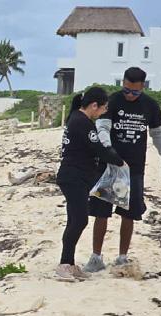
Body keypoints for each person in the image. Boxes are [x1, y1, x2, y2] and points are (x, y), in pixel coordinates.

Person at [85, 67, 161, 272]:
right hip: (109, 166)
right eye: (126, 90)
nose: (130, 95)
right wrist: (109, 150)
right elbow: (102, 128)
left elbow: (158, 133)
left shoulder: (150, 105)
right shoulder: (112, 101)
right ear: (123, 83)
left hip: (134, 168)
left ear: (143, 87)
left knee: (129, 214)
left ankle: (122, 257)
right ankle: (96, 256)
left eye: (135, 92)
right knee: (101, 212)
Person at [56, 87, 124, 281]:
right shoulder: (82, 122)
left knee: (74, 220)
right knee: (79, 220)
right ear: (94, 105)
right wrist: (119, 161)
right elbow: (98, 149)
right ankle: (64, 264)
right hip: (73, 177)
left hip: (77, 177)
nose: (103, 112)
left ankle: (69, 264)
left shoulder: (77, 118)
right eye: (103, 108)